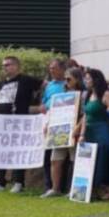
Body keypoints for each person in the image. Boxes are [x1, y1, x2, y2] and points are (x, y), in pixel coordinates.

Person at [0, 55, 42, 193]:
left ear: (16, 66)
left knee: (18, 150)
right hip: (1, 123)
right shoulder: (1, 83)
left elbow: (44, 85)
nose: (5, 67)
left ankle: (18, 182)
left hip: (18, 121)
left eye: (8, 65)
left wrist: (42, 102)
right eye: (4, 65)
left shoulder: (26, 80)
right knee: (0, 151)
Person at [75, 67, 109, 201]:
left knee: (102, 159)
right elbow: (85, 116)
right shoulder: (89, 95)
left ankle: (106, 189)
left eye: (88, 78)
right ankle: (91, 189)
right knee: (89, 162)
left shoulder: (106, 94)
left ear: (95, 80)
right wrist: (82, 134)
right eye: (85, 78)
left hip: (102, 131)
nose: (85, 81)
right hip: (89, 132)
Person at [42, 67, 85, 198]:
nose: (66, 82)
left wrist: (77, 128)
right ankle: (55, 188)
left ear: (77, 79)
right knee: (55, 160)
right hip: (60, 131)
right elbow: (55, 111)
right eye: (65, 79)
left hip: (74, 131)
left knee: (74, 161)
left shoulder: (83, 95)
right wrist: (49, 124)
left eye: (69, 79)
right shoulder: (62, 95)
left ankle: (74, 189)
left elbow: (85, 114)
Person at [39, 59, 67, 196]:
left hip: (64, 120)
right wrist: (42, 106)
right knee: (48, 156)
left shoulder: (69, 83)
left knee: (64, 157)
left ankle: (63, 186)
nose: (51, 70)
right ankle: (50, 186)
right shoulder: (49, 86)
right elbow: (45, 100)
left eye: (54, 68)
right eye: (50, 68)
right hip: (49, 120)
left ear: (62, 69)